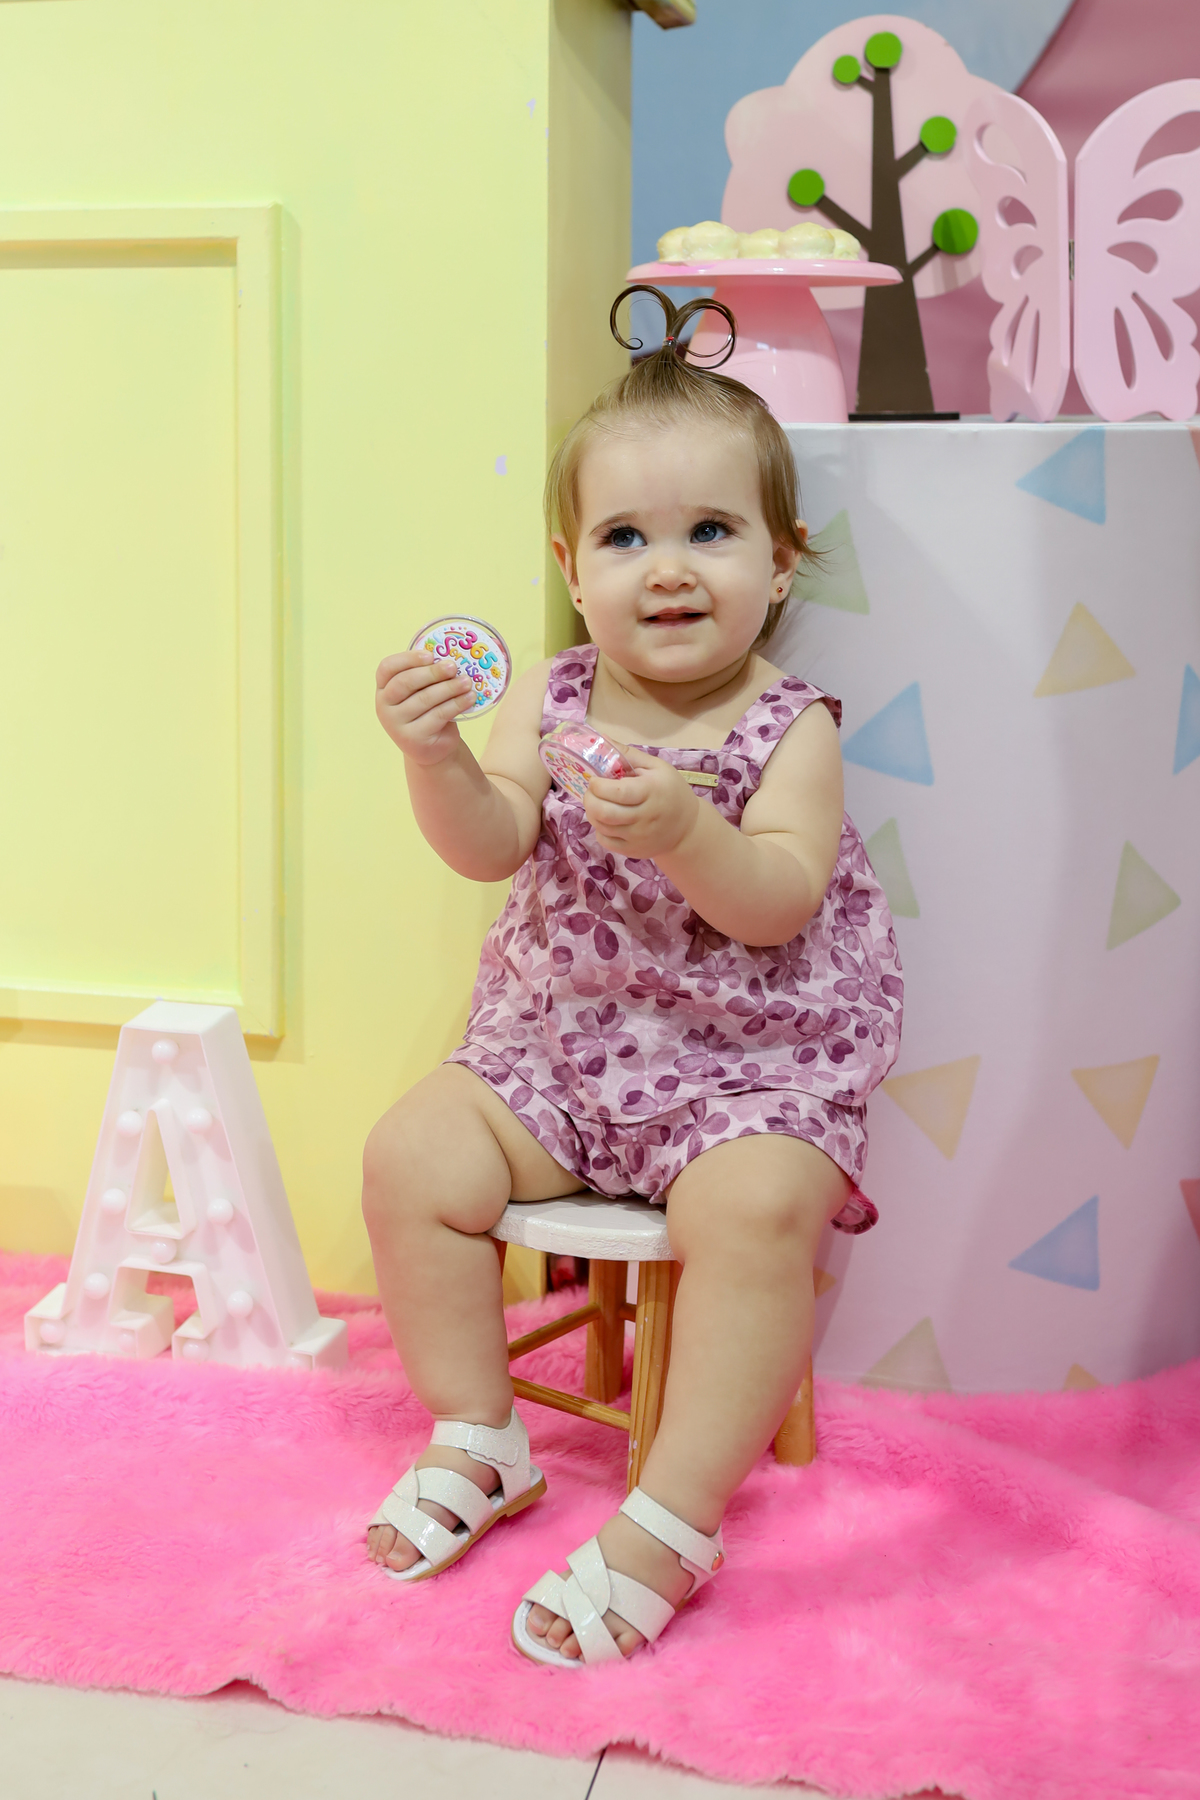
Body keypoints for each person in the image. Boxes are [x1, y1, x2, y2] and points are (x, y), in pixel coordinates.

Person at [363, 286, 903, 1667]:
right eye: (625, 537)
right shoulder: (551, 701)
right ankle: (478, 1434)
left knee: (762, 1212)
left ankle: (673, 1516)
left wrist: (686, 833)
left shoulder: (788, 727)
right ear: (570, 563)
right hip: (560, 1054)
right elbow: (491, 845)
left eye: (711, 532)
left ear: (780, 566)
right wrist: (436, 759)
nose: (668, 569)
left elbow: (780, 902)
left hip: (750, 1068)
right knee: (411, 1156)